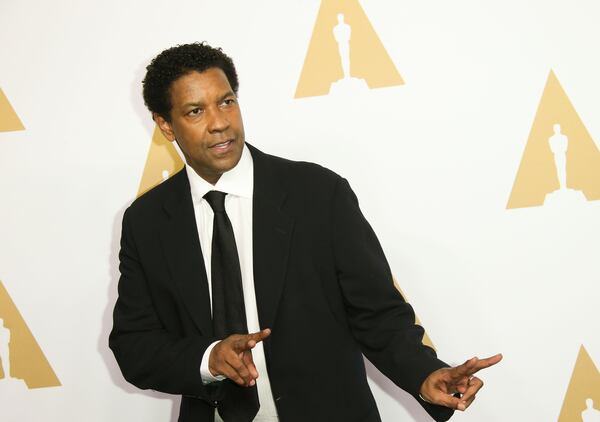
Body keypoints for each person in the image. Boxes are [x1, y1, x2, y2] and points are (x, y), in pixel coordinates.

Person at [109, 42, 501, 422]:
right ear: (165, 125)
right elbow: (134, 345)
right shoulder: (146, 222)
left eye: (226, 101)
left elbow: (377, 312)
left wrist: (423, 374)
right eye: (195, 111)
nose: (219, 123)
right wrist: (207, 358)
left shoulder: (317, 194)